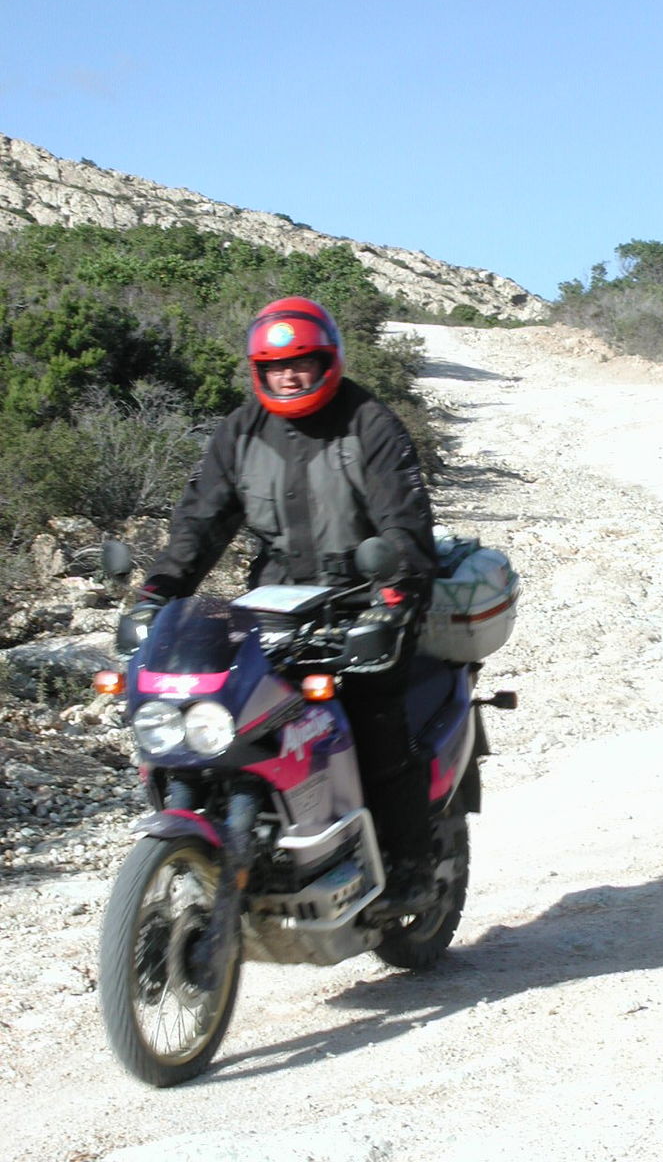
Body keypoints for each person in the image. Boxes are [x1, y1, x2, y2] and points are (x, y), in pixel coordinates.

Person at [136, 296, 438, 911]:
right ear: (259, 371)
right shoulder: (241, 431)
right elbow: (202, 520)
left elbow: (404, 522)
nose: (290, 376)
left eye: (302, 363)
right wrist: (161, 589)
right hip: (272, 605)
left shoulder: (369, 423)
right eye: (276, 367)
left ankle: (411, 865)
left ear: (328, 361)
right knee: (224, 708)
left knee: (373, 719)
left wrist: (395, 594)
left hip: (364, 601)